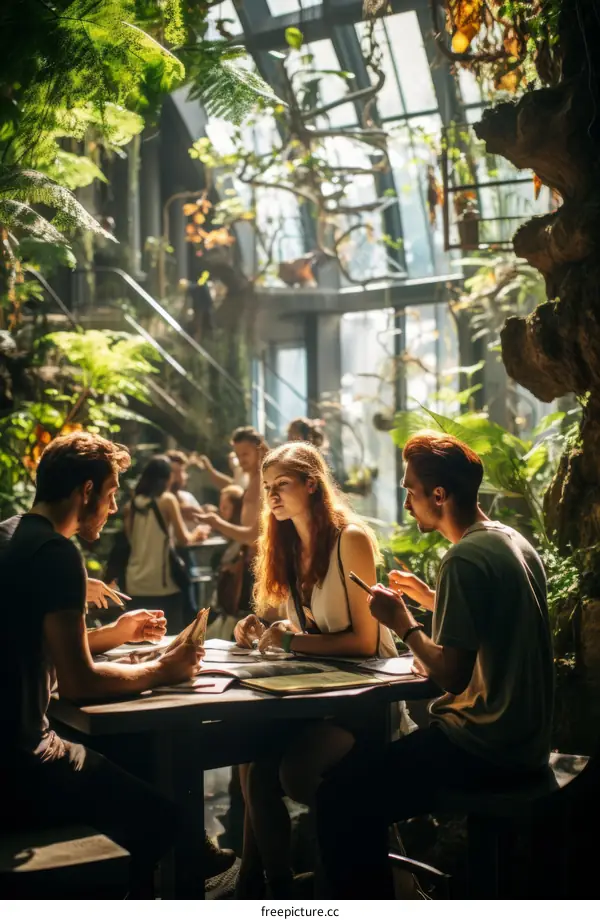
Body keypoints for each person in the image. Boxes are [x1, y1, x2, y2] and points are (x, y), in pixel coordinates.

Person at [316, 432, 555, 899]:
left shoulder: (463, 559)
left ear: (439, 496)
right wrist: (429, 598)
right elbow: (495, 616)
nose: (407, 502)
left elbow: (450, 674)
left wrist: (402, 622)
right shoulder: (507, 540)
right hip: (526, 739)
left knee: (338, 799)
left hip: (484, 747)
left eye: (410, 490)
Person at [0, 432, 202, 897]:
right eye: (110, 494)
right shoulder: (58, 553)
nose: (113, 508)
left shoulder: (10, 535)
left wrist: (116, 634)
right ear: (85, 491)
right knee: (163, 820)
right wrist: (165, 670)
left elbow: (35, 645)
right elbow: (81, 682)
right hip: (23, 765)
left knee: (134, 760)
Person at [232, 441, 413, 898]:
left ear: (312, 485)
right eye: (267, 487)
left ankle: (359, 867)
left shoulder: (348, 539)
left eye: (283, 485)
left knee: (293, 771)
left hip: (366, 702)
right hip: (317, 694)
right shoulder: (288, 545)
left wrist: (289, 639)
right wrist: (265, 628)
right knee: (250, 763)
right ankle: (273, 888)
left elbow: (364, 641)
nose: (271, 495)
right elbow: (308, 624)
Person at [124, 455, 208, 634]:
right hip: (162, 583)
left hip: (135, 582)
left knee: (137, 637)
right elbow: (183, 539)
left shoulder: (131, 505)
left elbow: (130, 539)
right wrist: (198, 534)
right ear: (167, 478)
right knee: (169, 637)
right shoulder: (167, 500)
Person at [194, 427, 268, 615]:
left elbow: (254, 535)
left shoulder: (264, 481)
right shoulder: (250, 479)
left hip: (260, 562)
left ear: (259, 451)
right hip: (250, 560)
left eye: (245, 454)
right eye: (238, 455)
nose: (241, 460)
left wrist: (216, 522)